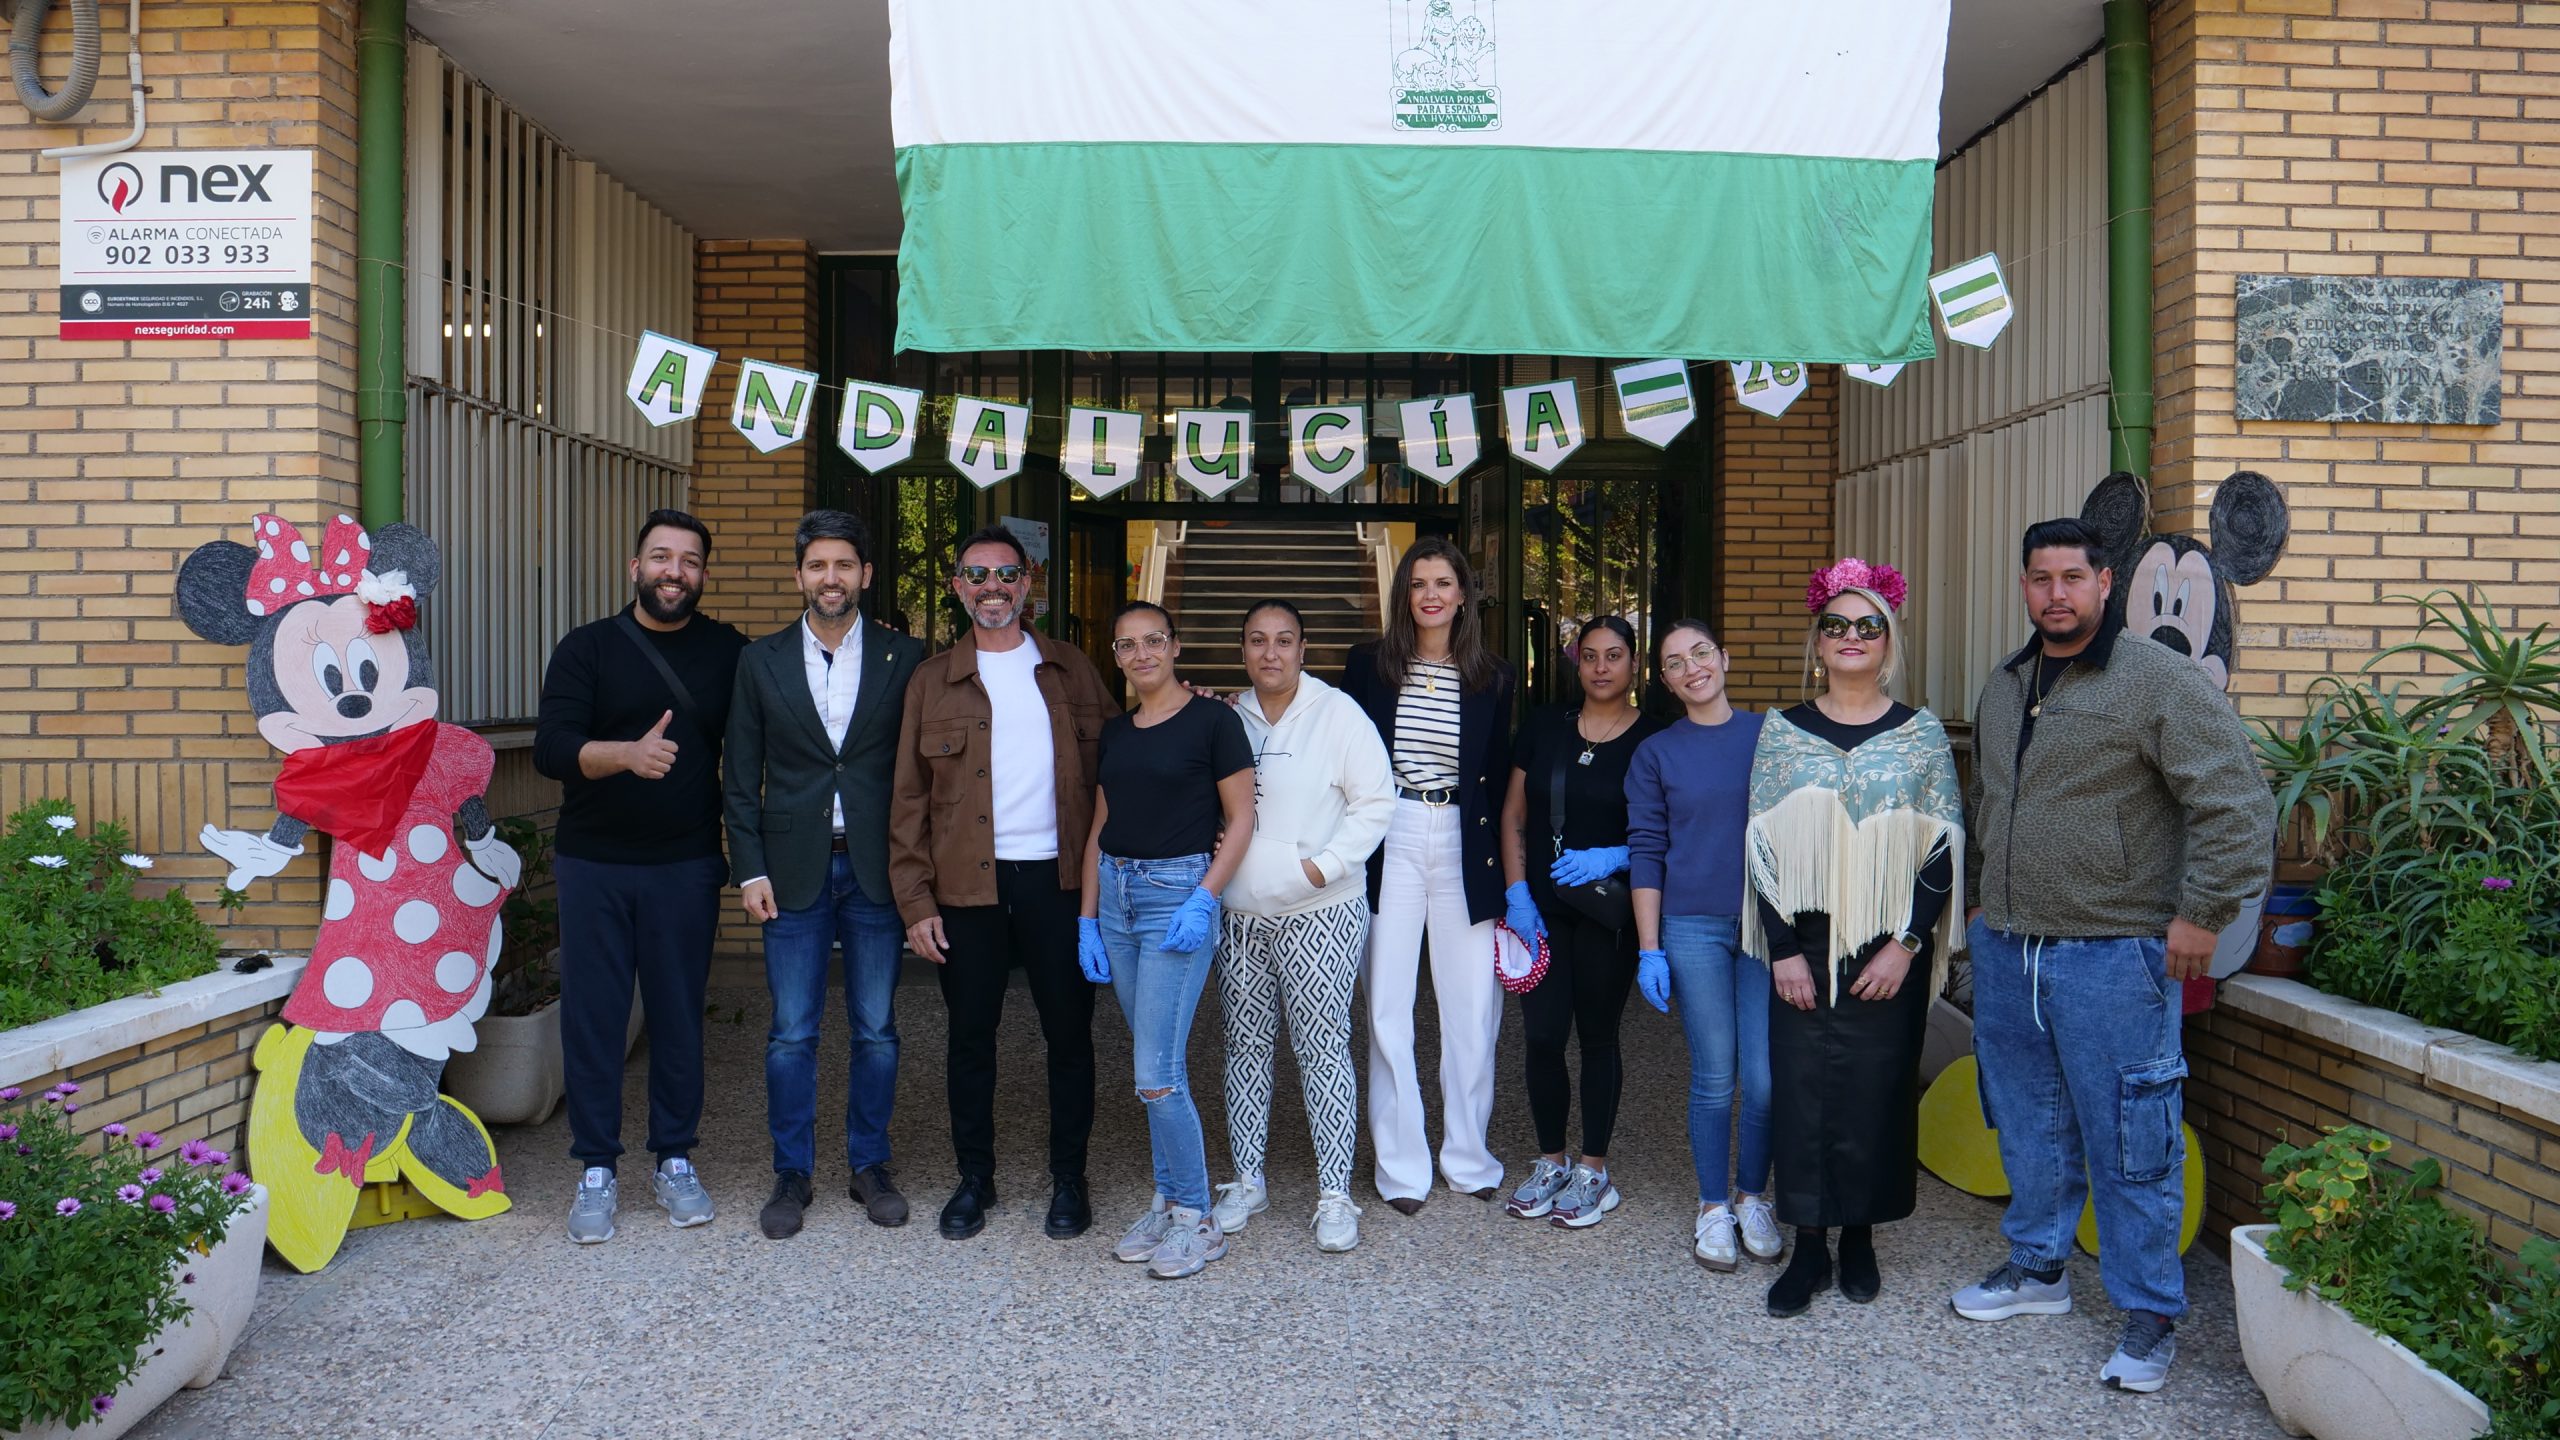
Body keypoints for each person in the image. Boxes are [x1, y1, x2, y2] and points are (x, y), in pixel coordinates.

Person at [1952, 517, 2275, 1394]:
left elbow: (2236, 803)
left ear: (2105, 583)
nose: (2055, 593)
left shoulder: (2157, 680)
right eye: (2040, 578)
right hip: (2011, 948)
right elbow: (1991, 803)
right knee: (2029, 1123)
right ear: (2024, 586)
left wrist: (2203, 914)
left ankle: (2149, 1312)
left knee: (2133, 1140)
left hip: (2115, 954)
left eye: (2072, 577)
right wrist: (1982, 902)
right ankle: (2039, 1269)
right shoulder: (2006, 683)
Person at [1744, 562, 1964, 1318]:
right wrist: (1781, 949)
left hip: (1887, 941)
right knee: (1802, 1092)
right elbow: (1761, 846)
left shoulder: (1921, 734)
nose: (1851, 637)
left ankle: (1861, 1235)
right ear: (1818, 642)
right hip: (1804, 939)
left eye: (1868, 626)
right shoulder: (1781, 732)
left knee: (1878, 1088)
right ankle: (1809, 1244)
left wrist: (1908, 944)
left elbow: (1942, 847)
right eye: (1835, 625)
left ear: (1889, 642)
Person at [889, 526, 1119, 1243]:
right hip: (966, 891)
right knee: (969, 1038)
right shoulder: (931, 680)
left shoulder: (1072, 669)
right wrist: (915, 901)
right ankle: (974, 1179)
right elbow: (908, 801)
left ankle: (1069, 1178)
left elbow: (1124, 762)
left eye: (1007, 574)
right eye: (978, 575)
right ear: (958, 587)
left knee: (1069, 1037)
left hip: (1059, 882)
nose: (993, 587)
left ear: (1029, 583)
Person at [533, 508, 748, 1244]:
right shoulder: (587, 647)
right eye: (661, 557)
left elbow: (771, 730)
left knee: (678, 1015)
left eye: (689, 561)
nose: (673, 572)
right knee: (592, 1018)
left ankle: (675, 1159)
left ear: (703, 576)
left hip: (685, 865)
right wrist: (624, 755)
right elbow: (551, 748)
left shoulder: (728, 652)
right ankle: (596, 1167)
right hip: (592, 862)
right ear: (635, 568)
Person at [723, 510, 925, 1240]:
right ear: (800, 575)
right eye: (817, 566)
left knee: (877, 1029)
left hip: (876, 868)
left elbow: (922, 770)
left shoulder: (907, 657)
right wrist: (749, 870)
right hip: (790, 870)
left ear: (865, 574)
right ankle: (792, 1171)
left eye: (843, 565)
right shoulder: (761, 661)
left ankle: (870, 1165)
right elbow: (740, 776)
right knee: (790, 1033)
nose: (830, 578)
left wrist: (919, 870)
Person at [1074, 602, 1257, 1279]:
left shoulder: (1214, 722)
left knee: (1155, 1076)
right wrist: (1087, 919)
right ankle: (1168, 1200)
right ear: (1116, 657)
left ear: (1175, 646)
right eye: (1127, 645)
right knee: (1155, 1066)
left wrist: (1205, 896)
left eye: (1153, 640)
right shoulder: (1117, 732)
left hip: (1175, 897)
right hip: (1116, 898)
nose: (1141, 654)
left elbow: (1242, 819)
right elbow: (1100, 829)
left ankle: (1197, 1219)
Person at [1208, 599, 1395, 1254]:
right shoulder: (1227, 717)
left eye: (1283, 640)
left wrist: (1320, 868)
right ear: (1243, 649)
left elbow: (1376, 803)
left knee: (1323, 1048)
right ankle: (1247, 1180)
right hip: (1241, 913)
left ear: (1303, 649)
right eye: (1257, 640)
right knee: (1245, 1046)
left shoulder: (1339, 714)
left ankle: (1335, 1195)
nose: (1270, 653)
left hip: (1321, 910)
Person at [1341, 536, 1515, 1213]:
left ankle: (1468, 1158)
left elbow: (1497, 779)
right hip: (1392, 832)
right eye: (1418, 584)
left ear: (1464, 593)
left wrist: (1511, 878)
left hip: (1464, 840)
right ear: (1403, 595)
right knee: (1387, 1004)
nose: (1431, 595)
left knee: (1471, 1007)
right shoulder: (1369, 665)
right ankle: (1401, 1167)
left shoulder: (1493, 676)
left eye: (1443, 582)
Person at [1497, 616, 1663, 1229]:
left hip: (1607, 912)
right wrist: (1517, 891)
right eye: (1589, 655)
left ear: (1634, 663)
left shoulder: (1654, 737)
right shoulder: (1546, 726)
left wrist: (1618, 854)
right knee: (1542, 1037)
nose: (1600, 667)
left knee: (1597, 1036)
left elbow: (1666, 826)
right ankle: (1551, 1161)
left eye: (1614, 655)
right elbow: (1513, 815)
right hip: (1541, 910)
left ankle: (1594, 1169)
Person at [1625, 619, 1778, 1271]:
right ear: (1665, 681)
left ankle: (1753, 1196)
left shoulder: (1771, 736)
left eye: (1701, 653)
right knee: (1715, 1075)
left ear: (1726, 658)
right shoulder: (1656, 753)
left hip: (1767, 927)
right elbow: (1646, 850)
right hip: (1691, 926)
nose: (1692, 668)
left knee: (1764, 1079)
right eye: (1675, 663)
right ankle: (1713, 1206)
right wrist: (1649, 947)